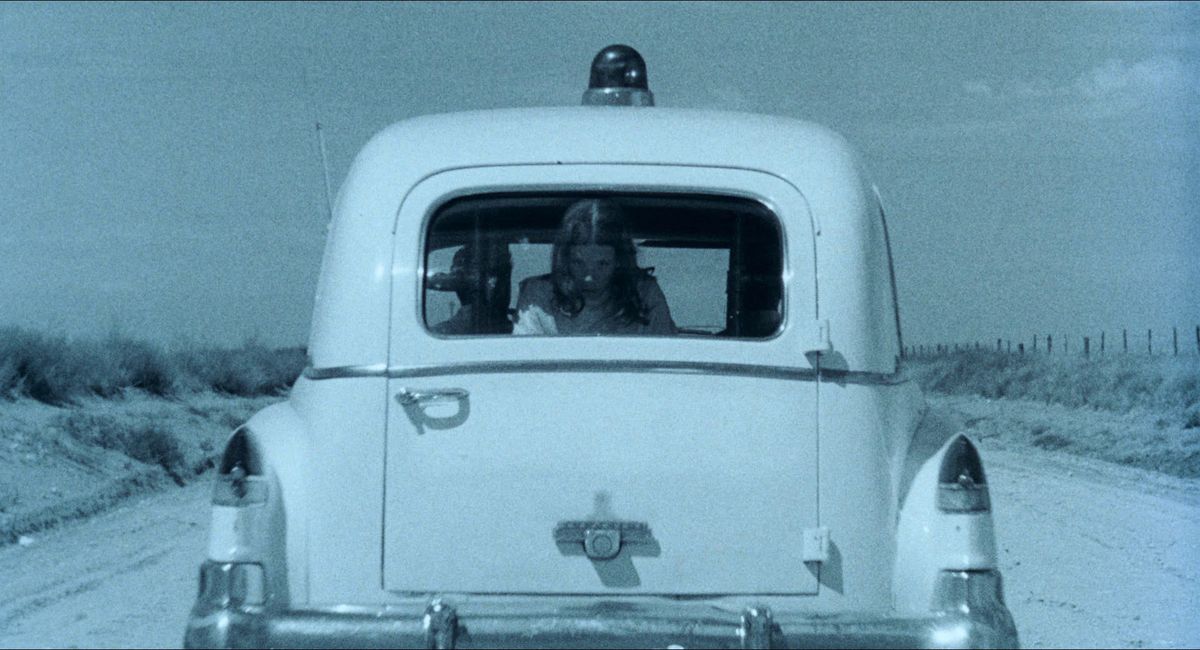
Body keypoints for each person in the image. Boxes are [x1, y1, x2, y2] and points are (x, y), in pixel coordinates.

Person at [513, 199, 676, 336]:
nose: (589, 277)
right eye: (578, 263)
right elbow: (525, 358)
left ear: (619, 262)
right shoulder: (539, 297)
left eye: (602, 264)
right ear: (565, 259)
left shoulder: (644, 296)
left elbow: (665, 354)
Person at [429, 240, 513, 335]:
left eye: (504, 276)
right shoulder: (443, 335)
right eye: (493, 275)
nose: (502, 286)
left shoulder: (440, 334)